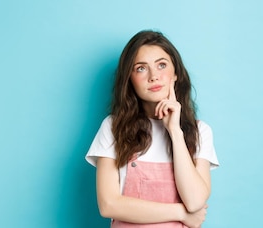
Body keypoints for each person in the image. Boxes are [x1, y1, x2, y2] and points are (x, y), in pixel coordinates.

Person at [85, 30, 220, 228]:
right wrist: (180, 213)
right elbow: (108, 205)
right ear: (129, 79)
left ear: (175, 74)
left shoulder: (201, 132)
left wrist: (175, 131)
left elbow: (195, 201)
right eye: (141, 68)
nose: (154, 76)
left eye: (162, 65)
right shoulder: (113, 127)